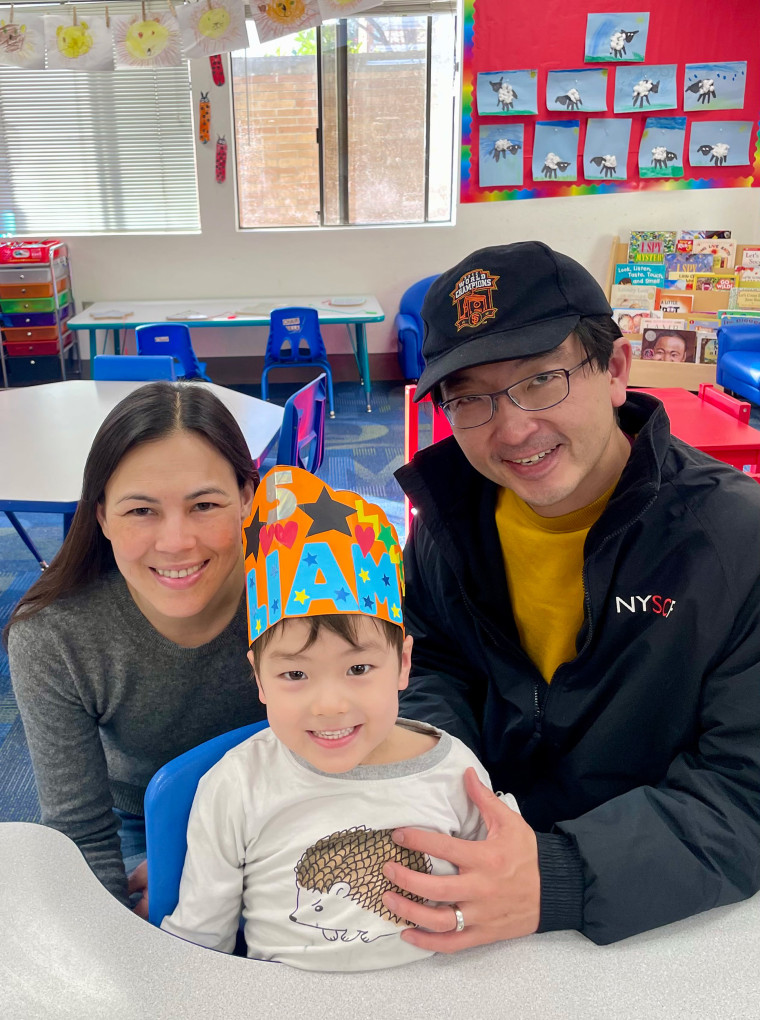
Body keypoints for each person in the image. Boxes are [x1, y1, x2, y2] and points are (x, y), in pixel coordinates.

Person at [387, 240, 760, 950]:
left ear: (615, 370)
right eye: (471, 400)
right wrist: (436, 780)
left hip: (663, 920)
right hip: (472, 887)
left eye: (540, 381)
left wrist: (558, 875)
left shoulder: (737, 545)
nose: (513, 428)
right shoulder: (451, 519)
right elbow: (437, 661)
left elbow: (745, 795)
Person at [160, 467, 512, 970]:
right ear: (259, 678)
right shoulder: (236, 786)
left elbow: (497, 905)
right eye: (295, 674)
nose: (330, 704)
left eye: (359, 668)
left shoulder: (456, 772)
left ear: (404, 664)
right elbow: (200, 942)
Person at [5, 382, 267, 915]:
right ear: (100, 515)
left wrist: (226, 864)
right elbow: (82, 832)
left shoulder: (306, 589)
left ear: (246, 497)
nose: (176, 541)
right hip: (138, 824)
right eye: (141, 511)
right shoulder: (55, 636)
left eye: (204, 504)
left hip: (286, 799)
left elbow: (369, 744)